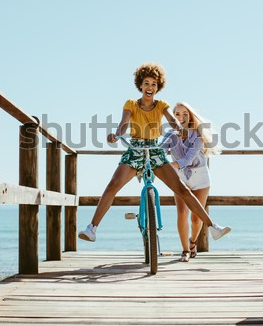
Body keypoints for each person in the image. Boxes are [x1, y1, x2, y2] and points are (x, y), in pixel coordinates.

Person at [78, 63, 231, 252]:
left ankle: (213, 227)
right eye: (146, 83)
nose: (150, 87)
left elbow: (171, 119)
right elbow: (124, 124)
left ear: (158, 88)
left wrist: (177, 126)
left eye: (154, 84)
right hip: (135, 148)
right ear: (140, 86)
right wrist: (116, 134)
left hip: (154, 149)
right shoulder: (131, 104)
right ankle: (92, 228)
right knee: (113, 185)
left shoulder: (162, 105)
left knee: (182, 190)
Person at [165, 102, 223, 262]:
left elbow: (188, 159)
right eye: (177, 114)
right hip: (181, 177)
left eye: (185, 114)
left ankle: (192, 242)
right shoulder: (170, 135)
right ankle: (185, 250)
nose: (181, 117)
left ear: (190, 116)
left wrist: (171, 165)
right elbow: (161, 150)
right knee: (182, 213)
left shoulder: (197, 136)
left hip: (200, 177)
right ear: (173, 116)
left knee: (196, 218)